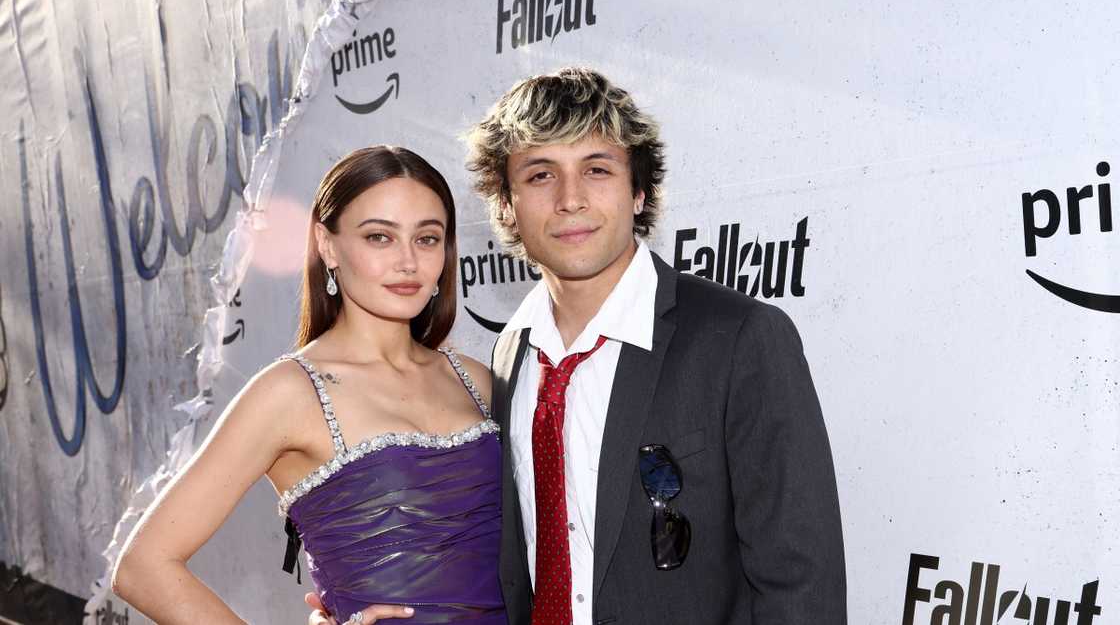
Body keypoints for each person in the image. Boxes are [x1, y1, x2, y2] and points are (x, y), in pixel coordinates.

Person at [313, 68, 846, 625]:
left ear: (638, 191)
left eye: (597, 169)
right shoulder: (509, 358)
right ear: (506, 203)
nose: (570, 200)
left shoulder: (739, 339)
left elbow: (802, 585)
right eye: (541, 175)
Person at [112, 146, 506, 624]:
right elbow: (142, 566)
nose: (408, 262)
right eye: (379, 236)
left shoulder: (477, 378)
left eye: (427, 239)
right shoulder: (288, 393)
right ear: (327, 244)